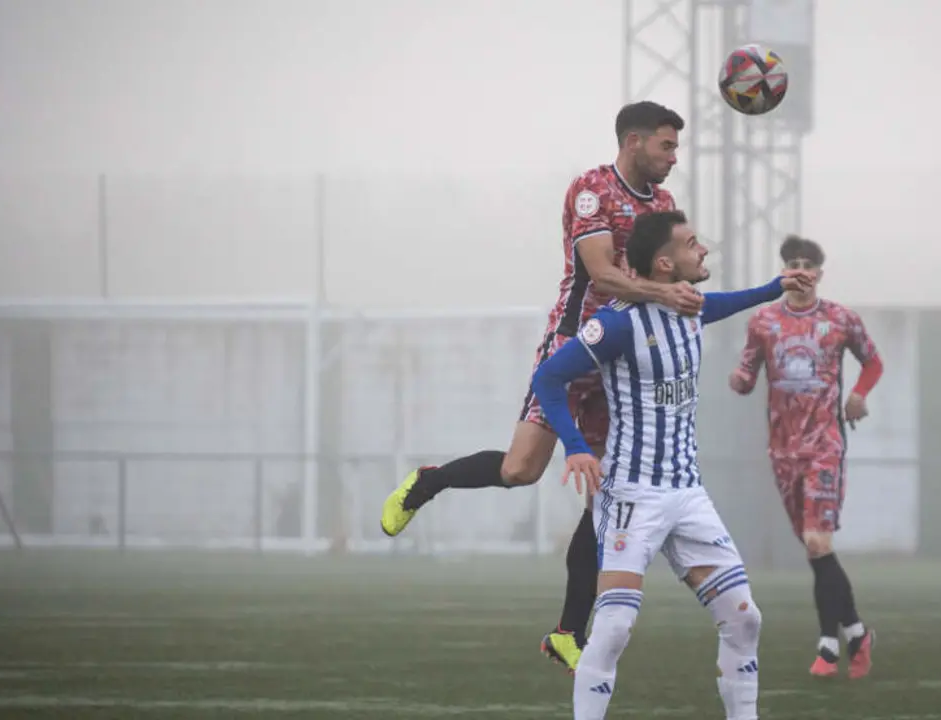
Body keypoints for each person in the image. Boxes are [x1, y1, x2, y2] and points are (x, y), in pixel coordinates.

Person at [379, 101, 703, 672]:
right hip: (577, 345)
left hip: (627, 361)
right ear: (633, 141)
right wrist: (663, 294)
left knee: (608, 491)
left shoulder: (668, 206)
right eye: (666, 147)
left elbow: (667, 273)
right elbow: (601, 273)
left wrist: (692, 285)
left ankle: (567, 632)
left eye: (675, 147)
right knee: (519, 470)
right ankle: (429, 482)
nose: (673, 158)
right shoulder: (591, 190)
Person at [531, 210, 815, 720]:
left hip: (687, 495)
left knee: (744, 619)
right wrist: (574, 445)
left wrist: (775, 286)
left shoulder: (690, 307)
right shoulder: (616, 323)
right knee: (614, 627)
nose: (702, 250)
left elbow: (723, 304)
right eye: (692, 243)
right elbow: (549, 378)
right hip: (631, 496)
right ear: (664, 263)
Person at [727, 235, 884, 679]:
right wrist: (737, 380)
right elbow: (747, 372)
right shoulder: (763, 322)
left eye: (808, 264)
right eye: (792, 263)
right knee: (815, 550)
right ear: (783, 271)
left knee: (818, 541)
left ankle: (828, 646)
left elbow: (873, 363)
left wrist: (857, 394)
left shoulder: (840, 320)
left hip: (824, 445)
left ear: (818, 273)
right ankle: (854, 632)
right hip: (782, 449)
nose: (801, 270)